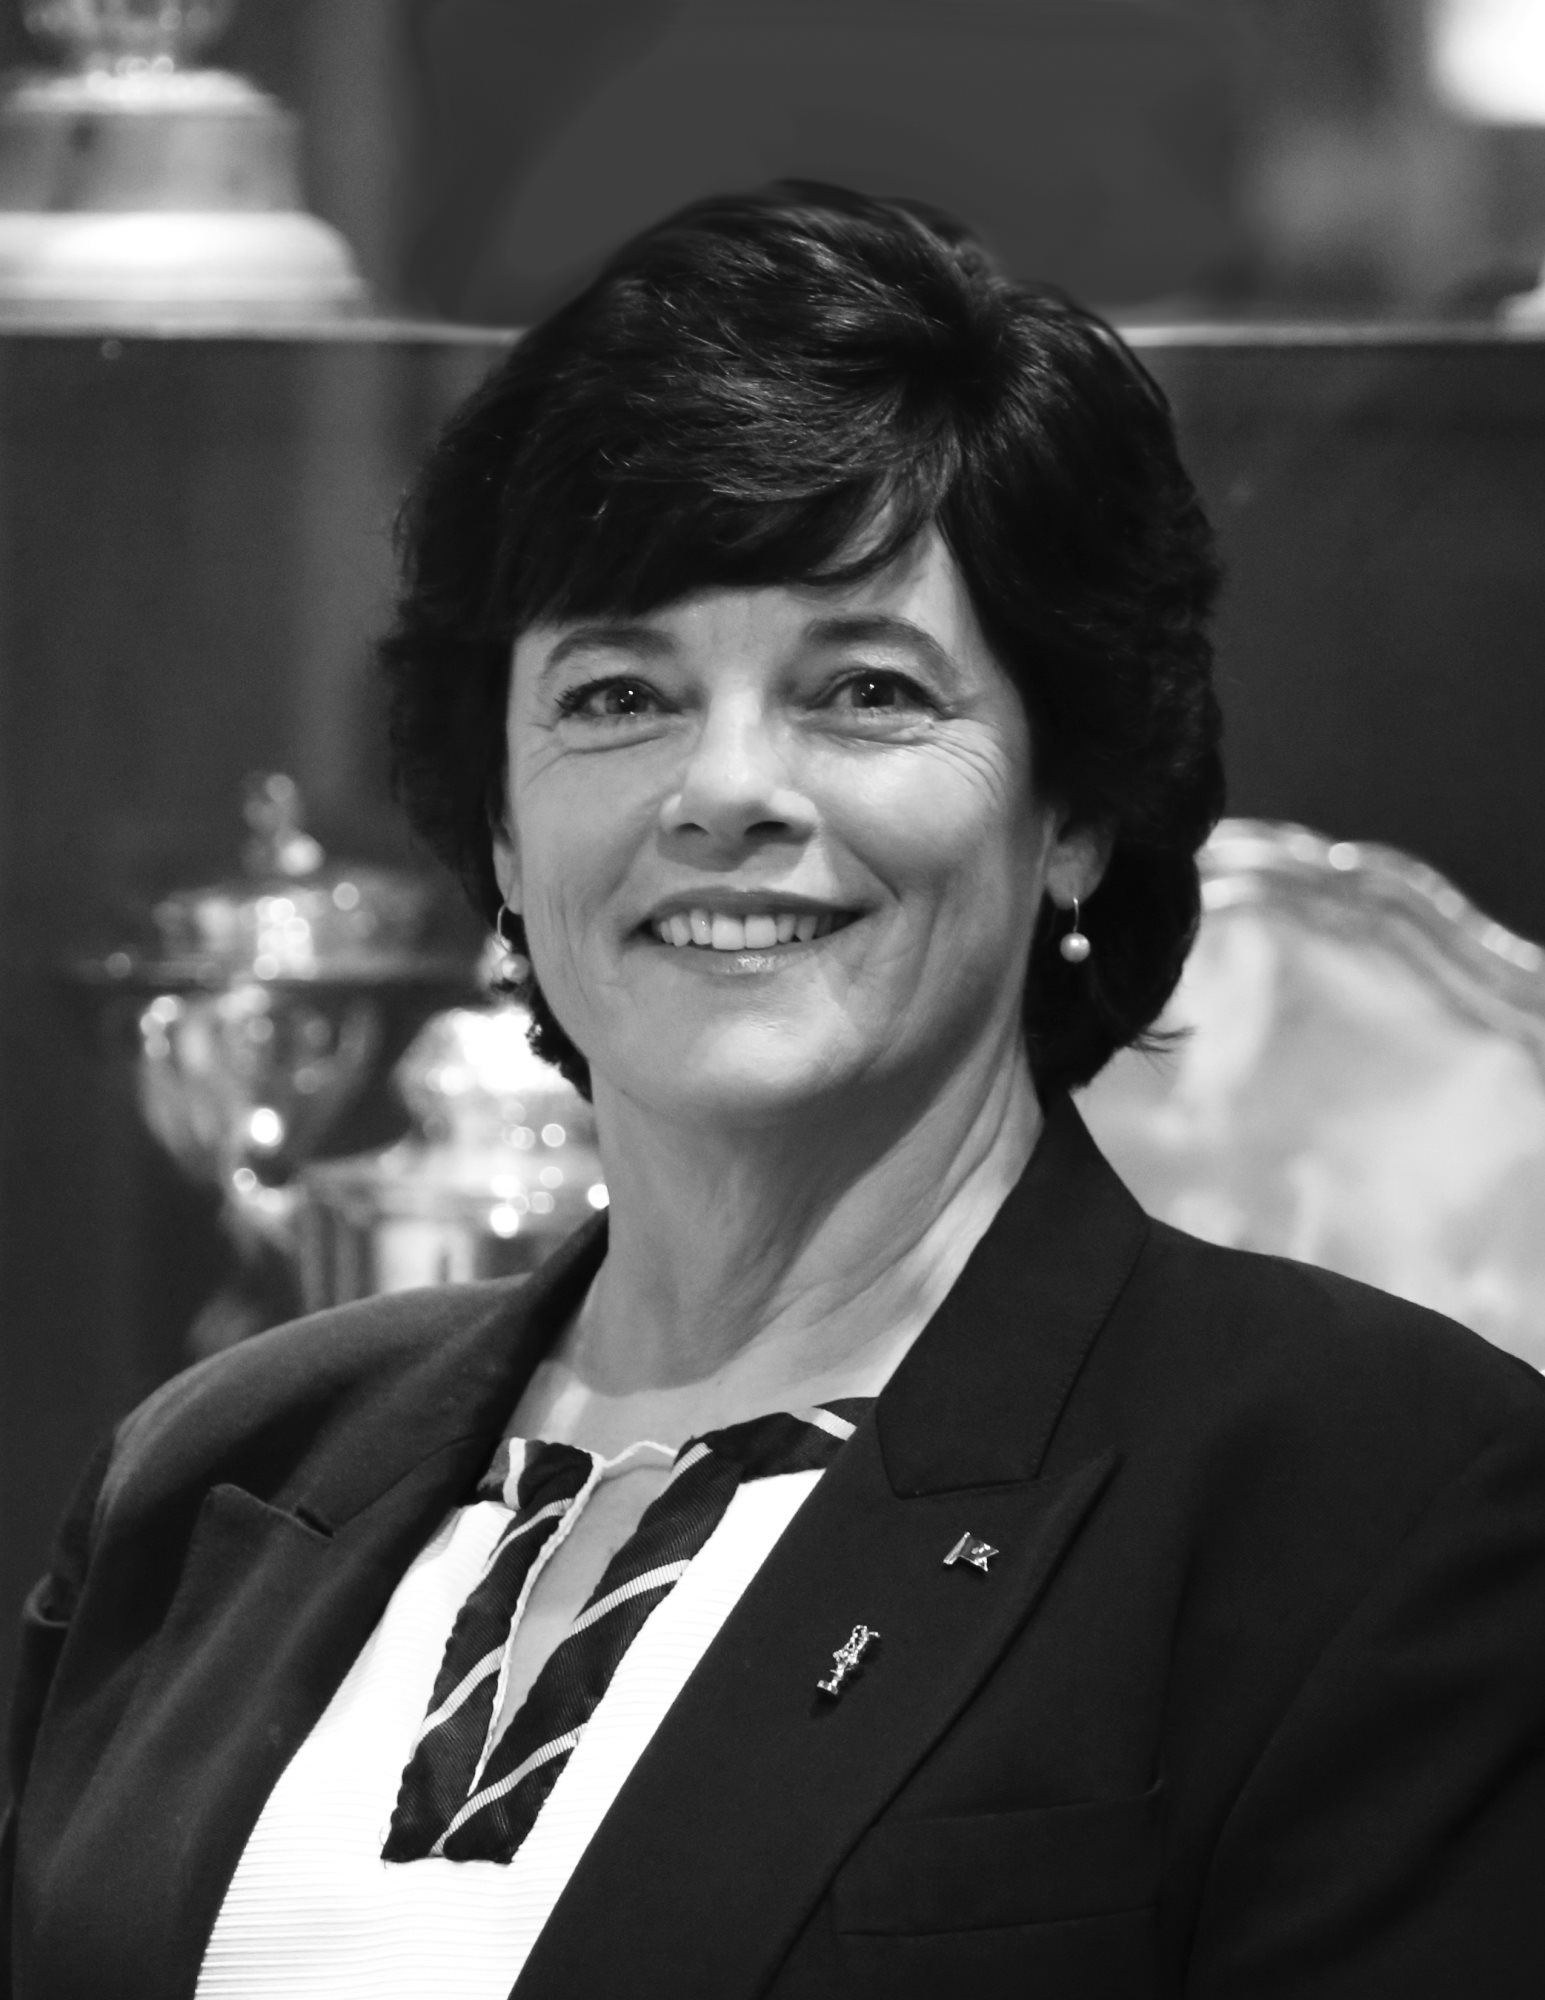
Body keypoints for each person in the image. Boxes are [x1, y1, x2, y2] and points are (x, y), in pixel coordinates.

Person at [5, 183, 1544, 2000]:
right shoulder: (211, 1470)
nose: (724, 789)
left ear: (1072, 810)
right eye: (616, 695)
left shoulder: (1377, 1499)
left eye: (865, 690)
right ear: (499, 825)